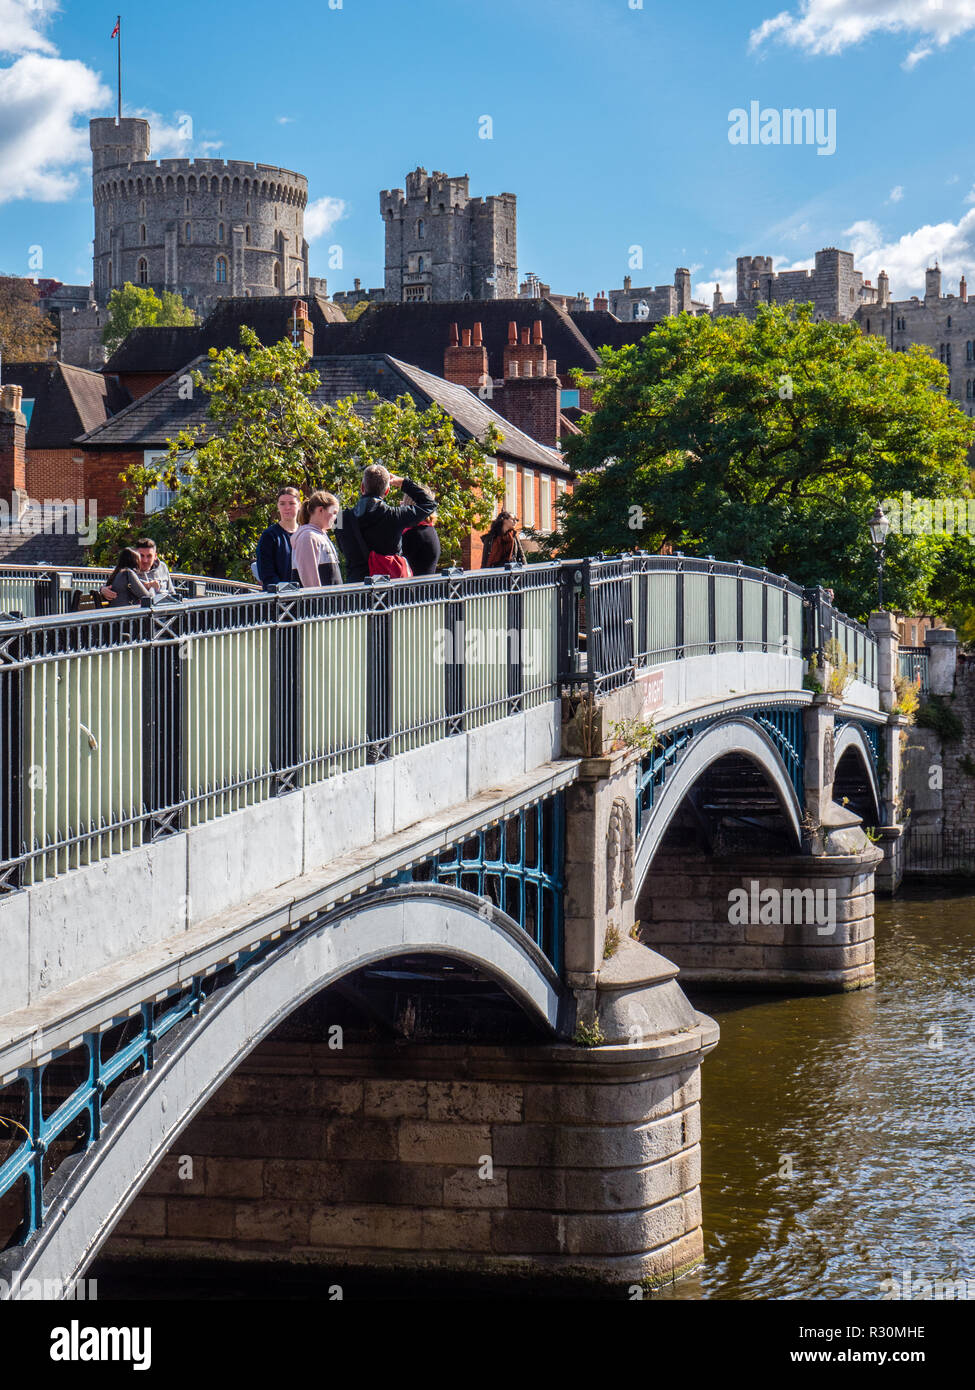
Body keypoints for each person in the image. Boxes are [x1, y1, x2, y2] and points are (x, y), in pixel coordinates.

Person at [338, 465, 435, 581]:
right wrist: (403, 483)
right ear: (387, 491)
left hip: (355, 589)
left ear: (362, 487)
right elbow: (429, 504)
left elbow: (341, 548)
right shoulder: (395, 515)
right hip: (387, 589)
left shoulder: (340, 518)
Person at [292, 490, 343, 588]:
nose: (336, 517)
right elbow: (310, 581)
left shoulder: (320, 536)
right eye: (334, 512)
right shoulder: (308, 537)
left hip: (330, 601)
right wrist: (318, 601)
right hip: (318, 601)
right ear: (320, 510)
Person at [99, 537, 174, 602]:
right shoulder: (129, 571)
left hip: (168, 611)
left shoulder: (163, 567)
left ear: (155, 556)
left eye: (149, 556)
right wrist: (102, 589)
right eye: (141, 556)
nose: (145, 560)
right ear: (136, 555)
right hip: (144, 614)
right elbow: (113, 585)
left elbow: (172, 593)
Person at [256, 486, 301, 589]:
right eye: (282, 503)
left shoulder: (305, 534)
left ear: (299, 505)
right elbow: (267, 574)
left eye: (291, 503)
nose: (287, 507)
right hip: (279, 599)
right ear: (278, 506)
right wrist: (288, 592)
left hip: (304, 598)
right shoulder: (269, 536)